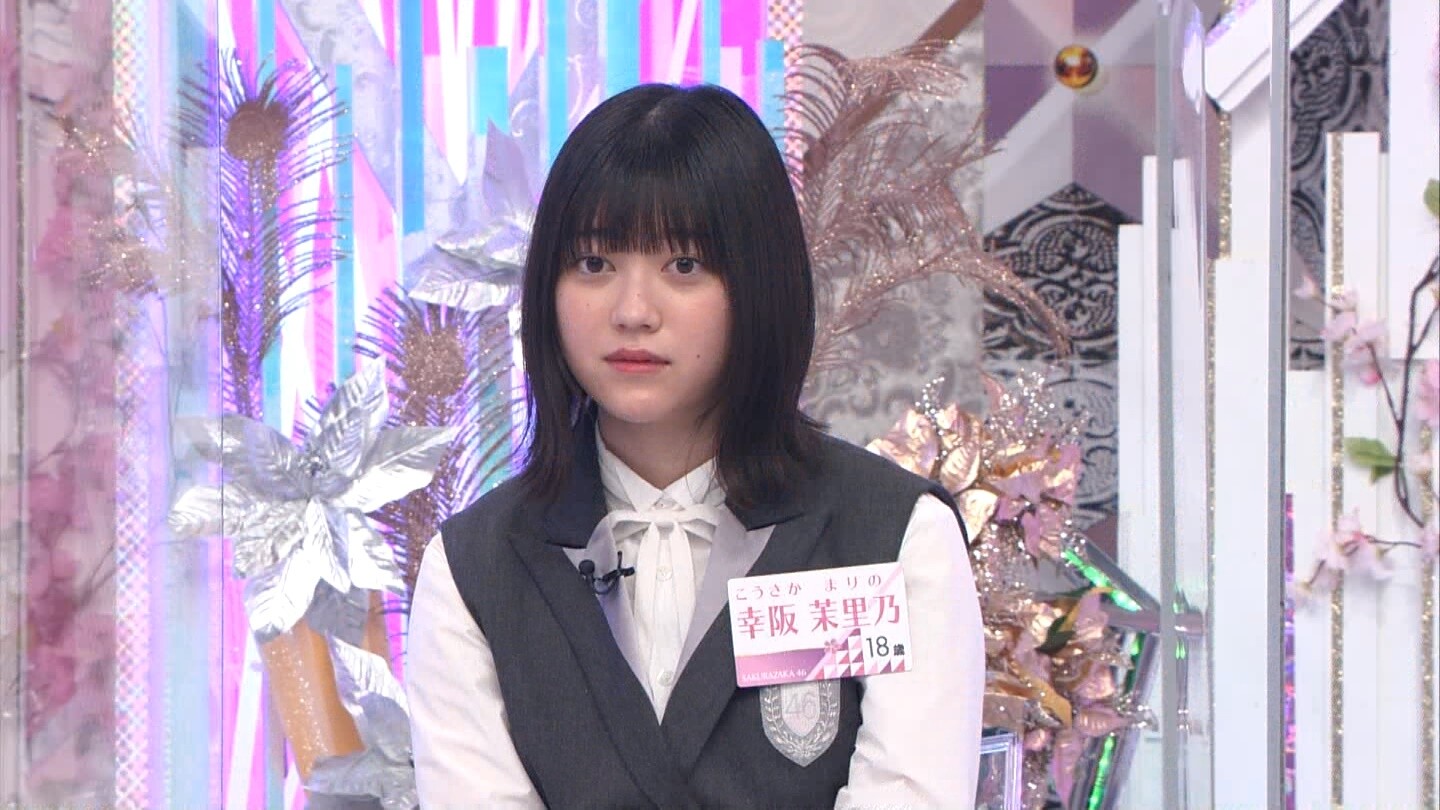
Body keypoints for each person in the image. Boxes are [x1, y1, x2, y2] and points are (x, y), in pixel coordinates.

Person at [406, 82, 985, 809]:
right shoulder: (474, 568)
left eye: (683, 265)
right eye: (594, 263)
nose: (633, 311)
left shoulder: (892, 537)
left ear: (760, 283)